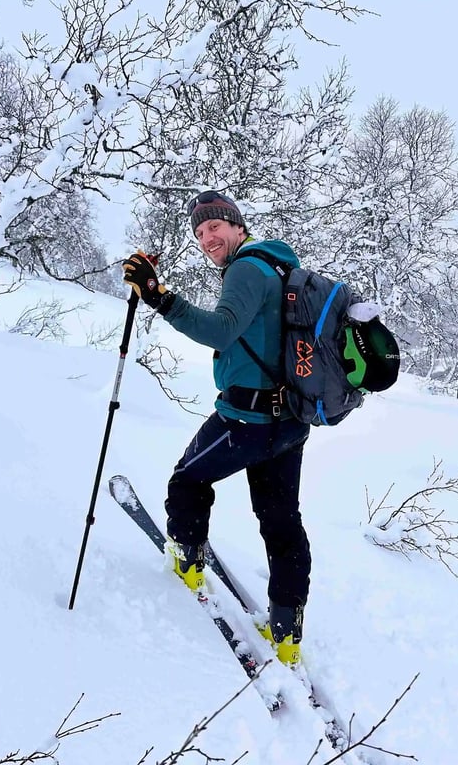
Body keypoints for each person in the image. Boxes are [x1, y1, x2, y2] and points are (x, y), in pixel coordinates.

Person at [122, 191, 311, 667]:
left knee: (187, 480)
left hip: (247, 421)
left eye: (215, 227)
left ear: (237, 226)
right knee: (282, 524)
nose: (207, 238)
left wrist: (161, 298)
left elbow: (221, 330)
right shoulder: (279, 266)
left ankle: (187, 562)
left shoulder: (247, 267)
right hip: (289, 423)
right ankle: (287, 634)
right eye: (200, 231)